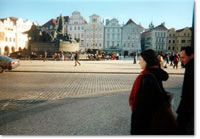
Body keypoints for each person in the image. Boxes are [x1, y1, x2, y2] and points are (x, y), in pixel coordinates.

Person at [129, 49, 177, 135]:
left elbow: (144, 106)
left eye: (141, 60)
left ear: (147, 61)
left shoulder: (147, 77)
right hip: (156, 116)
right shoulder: (156, 72)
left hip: (148, 122)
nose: (139, 62)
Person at [176, 47, 194, 135]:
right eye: (180, 57)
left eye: (183, 57)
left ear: (192, 56)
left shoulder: (192, 69)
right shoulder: (189, 66)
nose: (181, 60)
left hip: (188, 110)